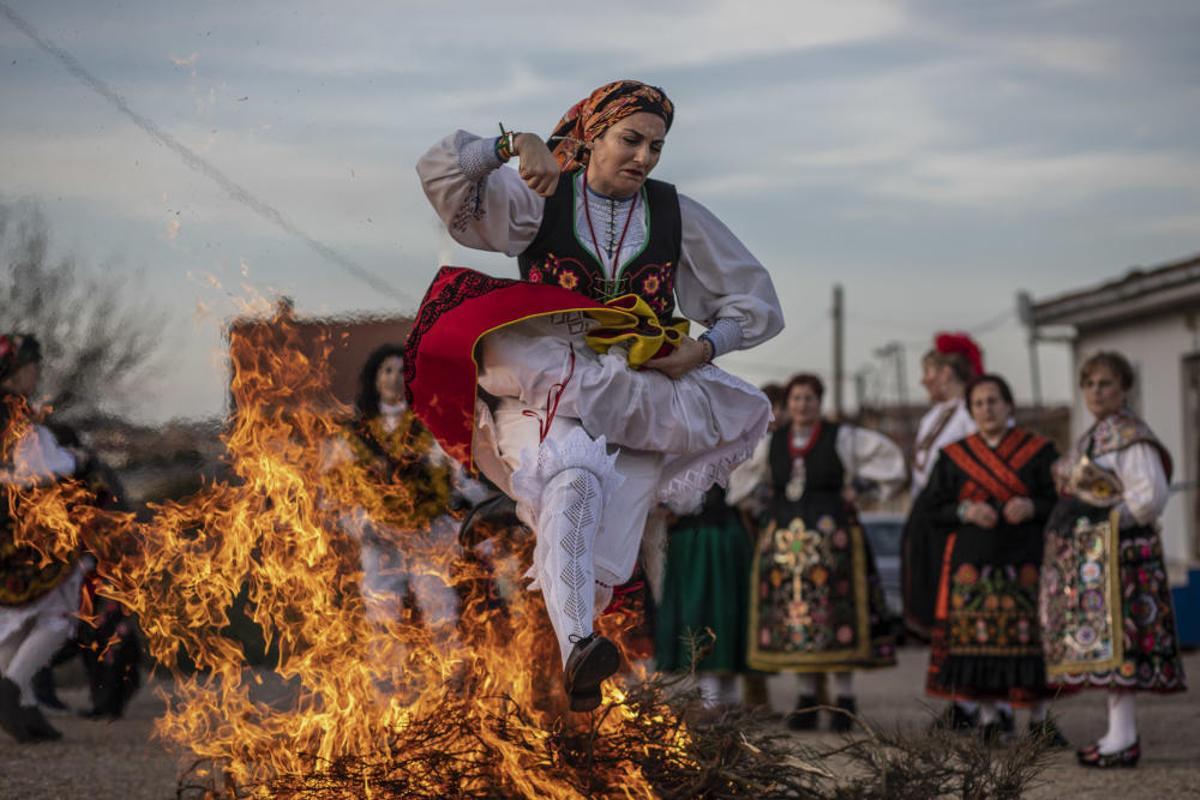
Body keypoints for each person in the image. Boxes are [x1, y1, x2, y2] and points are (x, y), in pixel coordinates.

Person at [409, 79, 783, 710]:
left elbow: (754, 299)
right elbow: (446, 177)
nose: (644, 158)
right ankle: (577, 646)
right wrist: (512, 144)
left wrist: (707, 347)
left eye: (656, 147)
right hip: (549, 375)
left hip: (643, 394)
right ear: (591, 137)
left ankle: (568, 687)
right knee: (573, 481)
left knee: (605, 567)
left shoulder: (674, 212)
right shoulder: (544, 194)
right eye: (630, 140)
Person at [728, 373, 905, 731]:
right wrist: (763, 506)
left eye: (809, 398)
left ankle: (844, 699)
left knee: (836, 620)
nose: (802, 405)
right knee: (797, 623)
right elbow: (739, 481)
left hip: (832, 547)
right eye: (796, 399)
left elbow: (892, 466)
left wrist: (862, 488)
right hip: (787, 552)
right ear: (788, 404)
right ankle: (806, 699)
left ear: (819, 402)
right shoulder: (772, 444)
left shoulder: (843, 438)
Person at [1040, 351, 1186, 768]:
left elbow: (1148, 498)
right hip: (1098, 558)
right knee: (1110, 648)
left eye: (1105, 383)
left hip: (1119, 556)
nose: (1096, 392)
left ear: (1124, 387)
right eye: (1089, 384)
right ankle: (1117, 735)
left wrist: (1100, 521)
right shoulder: (1094, 436)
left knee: (1122, 645)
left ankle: (1124, 739)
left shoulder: (1130, 436)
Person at [918, 374, 1066, 744]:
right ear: (971, 411)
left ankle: (1039, 720)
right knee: (976, 642)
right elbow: (933, 509)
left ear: (1009, 405)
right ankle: (988, 719)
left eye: (994, 400)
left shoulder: (1039, 451)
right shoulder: (953, 457)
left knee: (1030, 641)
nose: (987, 409)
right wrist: (966, 510)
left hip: (1025, 563)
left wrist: (1032, 505)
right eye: (979, 403)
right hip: (973, 565)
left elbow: (1060, 501)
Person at [324, 344, 464, 644]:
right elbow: (337, 487)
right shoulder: (355, 433)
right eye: (386, 371)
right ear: (374, 379)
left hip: (427, 532)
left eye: (402, 371)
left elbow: (452, 477)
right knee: (382, 611)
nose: (394, 378)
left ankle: (452, 675)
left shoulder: (430, 425)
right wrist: (360, 521)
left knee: (439, 605)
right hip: (378, 535)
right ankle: (386, 685)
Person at [901, 332, 992, 731]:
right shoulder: (932, 417)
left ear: (946, 372)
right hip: (931, 516)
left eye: (928, 373)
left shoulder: (969, 414)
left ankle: (975, 701)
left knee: (961, 608)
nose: (923, 382)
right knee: (942, 612)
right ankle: (960, 698)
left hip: (957, 517)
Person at [0, 333, 84, 742]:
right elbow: (35, 475)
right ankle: (11, 689)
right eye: (31, 367)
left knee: (15, 623)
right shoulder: (17, 419)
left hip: (5, 532)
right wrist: (75, 461)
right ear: (15, 372)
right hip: (28, 532)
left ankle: (26, 710)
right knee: (58, 616)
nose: (37, 374)